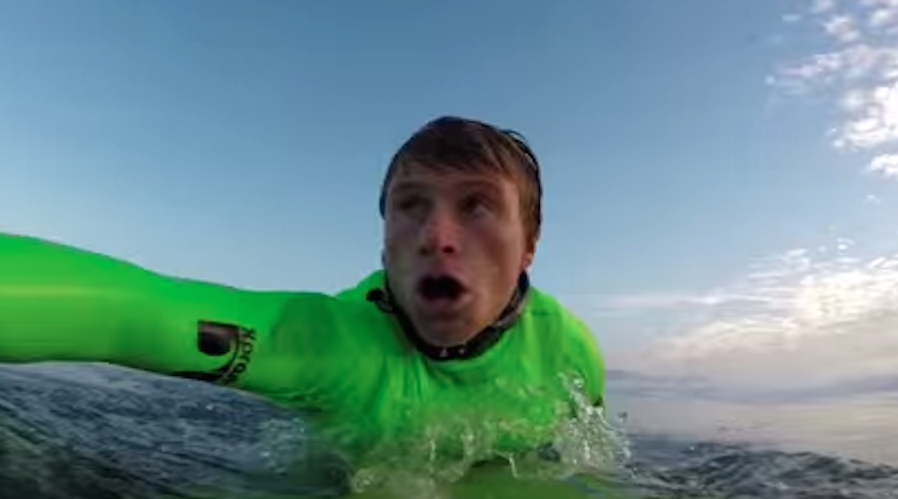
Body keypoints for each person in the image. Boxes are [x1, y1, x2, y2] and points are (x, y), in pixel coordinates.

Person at [0, 116, 605, 472]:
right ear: (384, 243)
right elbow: (134, 313)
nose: (436, 236)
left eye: (476, 205)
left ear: (529, 245)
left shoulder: (572, 354)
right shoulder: (332, 348)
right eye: (411, 205)